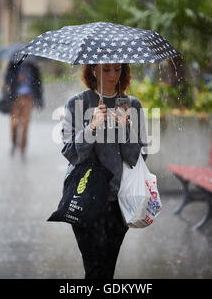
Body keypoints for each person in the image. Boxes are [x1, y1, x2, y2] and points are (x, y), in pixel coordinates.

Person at [61, 63, 147, 279]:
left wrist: (126, 129)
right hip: (84, 199)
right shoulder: (77, 103)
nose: (113, 75)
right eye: (106, 69)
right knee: (94, 269)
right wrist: (91, 128)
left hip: (117, 202)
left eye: (117, 70)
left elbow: (137, 157)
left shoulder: (132, 106)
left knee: (107, 269)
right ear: (93, 70)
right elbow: (70, 152)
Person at [5, 60, 43, 158]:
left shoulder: (33, 67)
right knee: (14, 124)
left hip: (28, 98)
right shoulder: (13, 64)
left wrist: (40, 101)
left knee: (25, 125)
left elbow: (39, 84)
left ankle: (23, 149)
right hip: (15, 99)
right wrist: (17, 78)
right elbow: (7, 79)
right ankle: (14, 144)